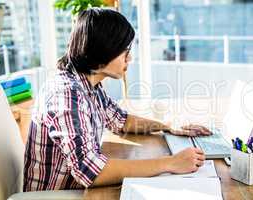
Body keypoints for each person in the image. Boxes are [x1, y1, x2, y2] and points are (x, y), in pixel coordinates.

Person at [23, 8, 211, 191]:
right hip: (56, 195)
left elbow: (121, 120)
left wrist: (168, 126)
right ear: (103, 51)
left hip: (76, 188)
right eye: (125, 51)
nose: (130, 58)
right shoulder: (66, 94)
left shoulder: (89, 84)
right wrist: (171, 163)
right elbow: (88, 171)